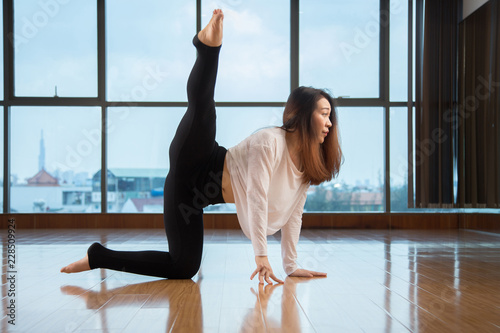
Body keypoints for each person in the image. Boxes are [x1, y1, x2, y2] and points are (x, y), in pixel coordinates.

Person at [61, 9, 342, 284]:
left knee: (183, 266)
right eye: (324, 113)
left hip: (192, 197)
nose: (329, 123)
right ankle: (208, 48)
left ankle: (97, 256)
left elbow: (294, 214)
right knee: (203, 112)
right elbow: (257, 197)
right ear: (303, 115)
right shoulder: (269, 142)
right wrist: (261, 256)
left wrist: (291, 266)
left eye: (330, 116)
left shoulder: (307, 165)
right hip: (197, 157)